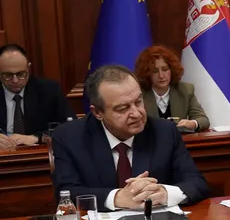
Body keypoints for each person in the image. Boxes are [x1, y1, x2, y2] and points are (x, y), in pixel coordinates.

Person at [51, 64, 209, 209]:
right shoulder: (69, 137)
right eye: (122, 108)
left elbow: (197, 183)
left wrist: (165, 193)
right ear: (98, 112)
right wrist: (117, 198)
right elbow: (66, 193)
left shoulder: (164, 131)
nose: (136, 113)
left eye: (138, 102)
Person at [0, 43, 71, 150]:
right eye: (7, 75)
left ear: (28, 68)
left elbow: (69, 126)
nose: (15, 80)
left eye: (21, 74)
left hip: (38, 153)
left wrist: (38, 138)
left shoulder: (49, 90)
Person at [134, 45, 209, 132]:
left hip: (178, 139)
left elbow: (203, 120)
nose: (161, 76)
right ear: (147, 74)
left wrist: (193, 123)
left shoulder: (185, 90)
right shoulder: (139, 94)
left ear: (172, 70)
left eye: (165, 69)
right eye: (155, 71)